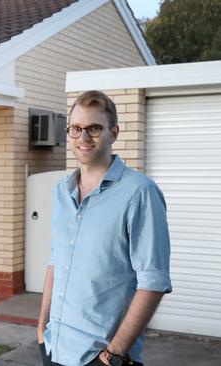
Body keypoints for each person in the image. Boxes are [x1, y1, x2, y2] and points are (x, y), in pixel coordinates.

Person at [37, 90, 172, 366]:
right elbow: (56, 263)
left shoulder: (140, 193)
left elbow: (153, 283)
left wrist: (114, 354)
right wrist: (42, 330)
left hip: (102, 358)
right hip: (55, 349)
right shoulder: (61, 192)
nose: (83, 138)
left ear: (114, 133)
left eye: (94, 128)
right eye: (76, 129)